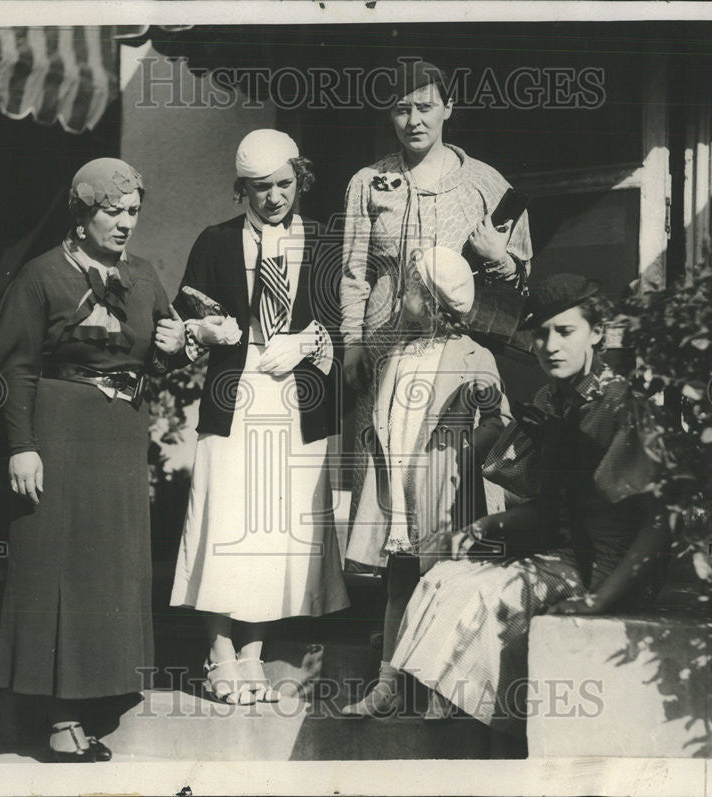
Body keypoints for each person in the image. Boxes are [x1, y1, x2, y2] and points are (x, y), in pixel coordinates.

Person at [388, 274, 669, 751]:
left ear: (596, 333)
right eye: (540, 334)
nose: (550, 346)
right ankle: (488, 745)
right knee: (444, 581)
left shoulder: (622, 404)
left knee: (489, 600)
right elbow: (549, 507)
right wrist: (483, 527)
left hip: (610, 567)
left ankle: (499, 748)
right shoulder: (547, 402)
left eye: (565, 332)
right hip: (562, 554)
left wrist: (602, 600)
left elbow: (659, 524)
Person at [0, 158, 187, 762]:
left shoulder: (143, 275)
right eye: (112, 212)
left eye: (133, 213)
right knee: (58, 572)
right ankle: (58, 719)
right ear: (82, 213)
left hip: (120, 441)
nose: (125, 224)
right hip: (59, 436)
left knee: (110, 573)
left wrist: (178, 346)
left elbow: (160, 351)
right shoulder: (43, 275)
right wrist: (22, 446)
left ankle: (95, 705)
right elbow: (12, 368)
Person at [169, 129, 349, 706]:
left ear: (301, 178)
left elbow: (342, 325)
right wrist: (207, 330)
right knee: (225, 522)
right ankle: (218, 653)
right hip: (235, 397)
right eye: (259, 188)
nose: (274, 198)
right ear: (240, 189)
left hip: (295, 402)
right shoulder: (216, 242)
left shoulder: (322, 241)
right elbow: (183, 324)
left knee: (273, 531)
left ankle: (253, 653)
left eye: (284, 185)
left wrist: (310, 340)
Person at [340, 58, 533, 568]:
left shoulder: (486, 185)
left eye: (425, 107)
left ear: (449, 107)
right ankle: (391, 613)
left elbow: (519, 286)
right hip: (384, 359)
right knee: (388, 488)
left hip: (455, 363)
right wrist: (352, 341)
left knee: (447, 482)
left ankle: (445, 595)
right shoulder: (369, 182)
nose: (413, 120)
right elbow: (354, 272)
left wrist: (500, 258)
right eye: (401, 110)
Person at [342, 246, 510, 716]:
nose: (404, 293)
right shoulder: (396, 353)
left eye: (413, 287)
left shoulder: (474, 355)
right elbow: (386, 417)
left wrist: (464, 449)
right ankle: (386, 685)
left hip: (443, 491)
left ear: (434, 301)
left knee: (440, 585)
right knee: (398, 586)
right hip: (397, 491)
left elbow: (499, 420)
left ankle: (440, 690)